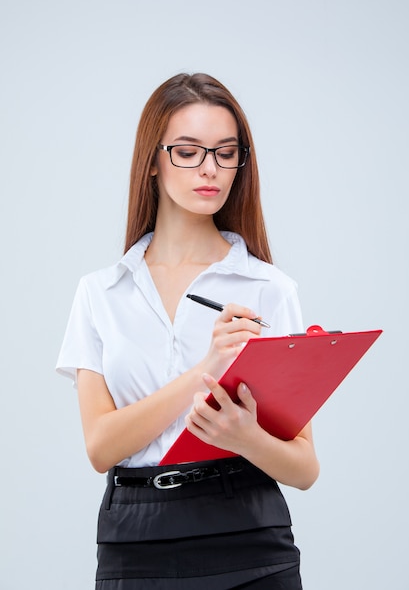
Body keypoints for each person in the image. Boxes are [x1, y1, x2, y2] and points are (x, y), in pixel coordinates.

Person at [57, 72, 320, 589]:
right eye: (188, 151)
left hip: (250, 533)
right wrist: (206, 370)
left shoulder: (269, 288)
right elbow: (101, 447)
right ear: (152, 162)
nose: (210, 169)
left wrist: (245, 437)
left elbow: (304, 467)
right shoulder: (101, 292)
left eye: (226, 152)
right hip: (135, 540)